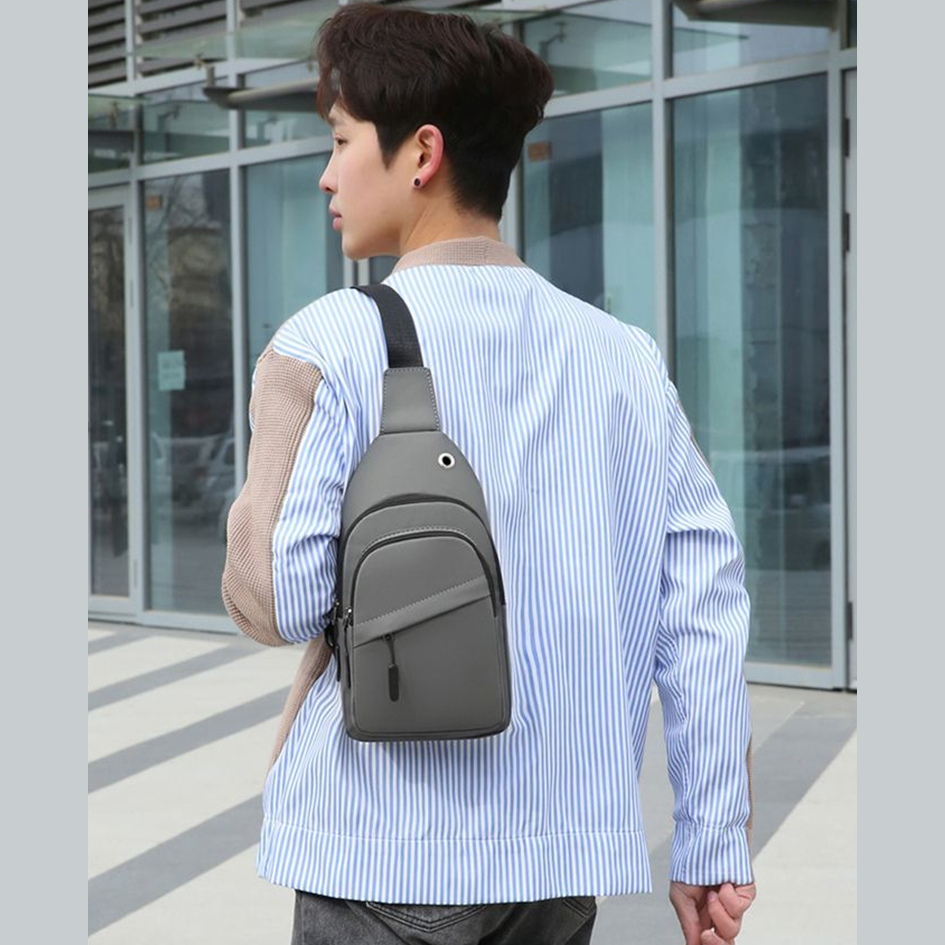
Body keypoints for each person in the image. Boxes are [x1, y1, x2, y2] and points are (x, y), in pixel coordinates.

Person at [220, 3, 757, 943]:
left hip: (382, 848)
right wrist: (711, 840)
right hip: (560, 861)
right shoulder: (622, 356)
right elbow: (703, 608)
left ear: (420, 153)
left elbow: (282, 599)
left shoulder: (330, 342)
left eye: (340, 141)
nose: (326, 175)